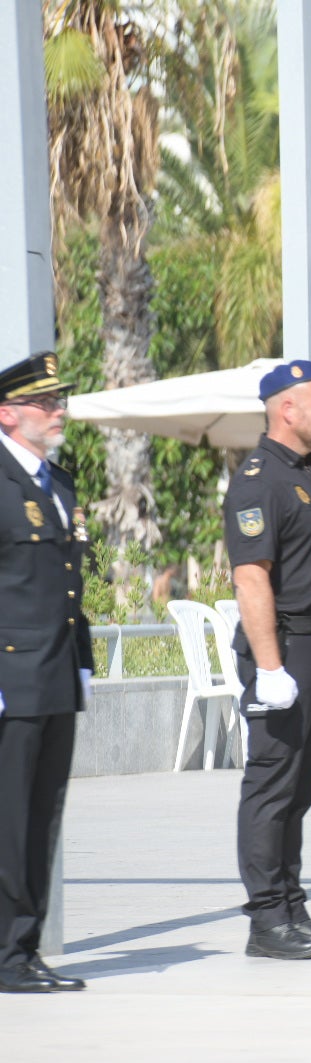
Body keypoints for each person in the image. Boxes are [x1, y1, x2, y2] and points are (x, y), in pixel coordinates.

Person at [223, 361, 311, 959]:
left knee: (300, 790)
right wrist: (271, 670)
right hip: (288, 649)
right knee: (272, 787)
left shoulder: (309, 474)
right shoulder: (259, 480)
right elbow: (252, 578)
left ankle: (292, 908)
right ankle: (266, 919)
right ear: (287, 411)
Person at [0, 352, 92, 994]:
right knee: (9, 820)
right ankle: (7, 955)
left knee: (42, 818)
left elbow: (67, 585)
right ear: (8, 414)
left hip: (56, 675)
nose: (57, 411)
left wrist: (82, 664)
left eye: (59, 400)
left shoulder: (58, 483)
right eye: (45, 402)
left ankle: (22, 949)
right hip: (13, 677)